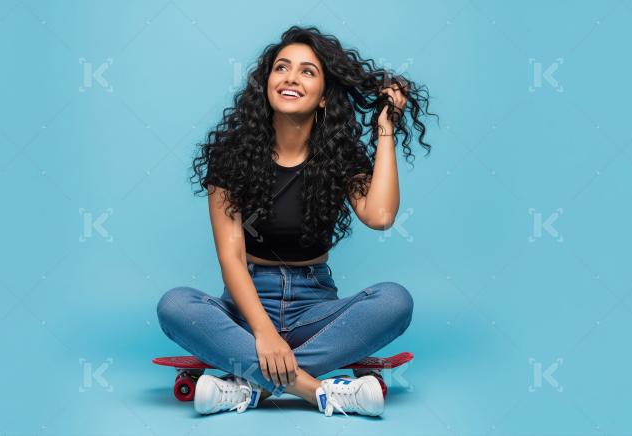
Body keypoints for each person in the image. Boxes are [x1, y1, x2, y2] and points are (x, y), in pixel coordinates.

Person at [157, 25, 435, 417]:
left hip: (314, 307)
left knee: (395, 301)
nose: (291, 77)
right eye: (282, 68)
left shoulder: (340, 156)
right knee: (175, 305)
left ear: (323, 98)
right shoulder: (230, 155)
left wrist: (385, 128)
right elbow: (231, 257)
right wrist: (264, 334)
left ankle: (251, 388)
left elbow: (382, 215)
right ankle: (319, 391)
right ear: (266, 84)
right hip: (247, 303)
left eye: (308, 71)